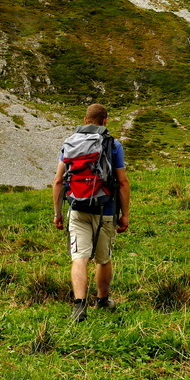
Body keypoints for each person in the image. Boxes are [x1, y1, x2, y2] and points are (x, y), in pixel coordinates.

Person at [52, 103, 130, 323]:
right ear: (105, 121)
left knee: (79, 258)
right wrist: (124, 214)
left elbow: (58, 181)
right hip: (105, 209)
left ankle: (79, 305)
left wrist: (58, 213)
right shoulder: (113, 145)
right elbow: (122, 183)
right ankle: (102, 300)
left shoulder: (69, 143)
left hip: (76, 208)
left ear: (85, 121)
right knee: (103, 259)